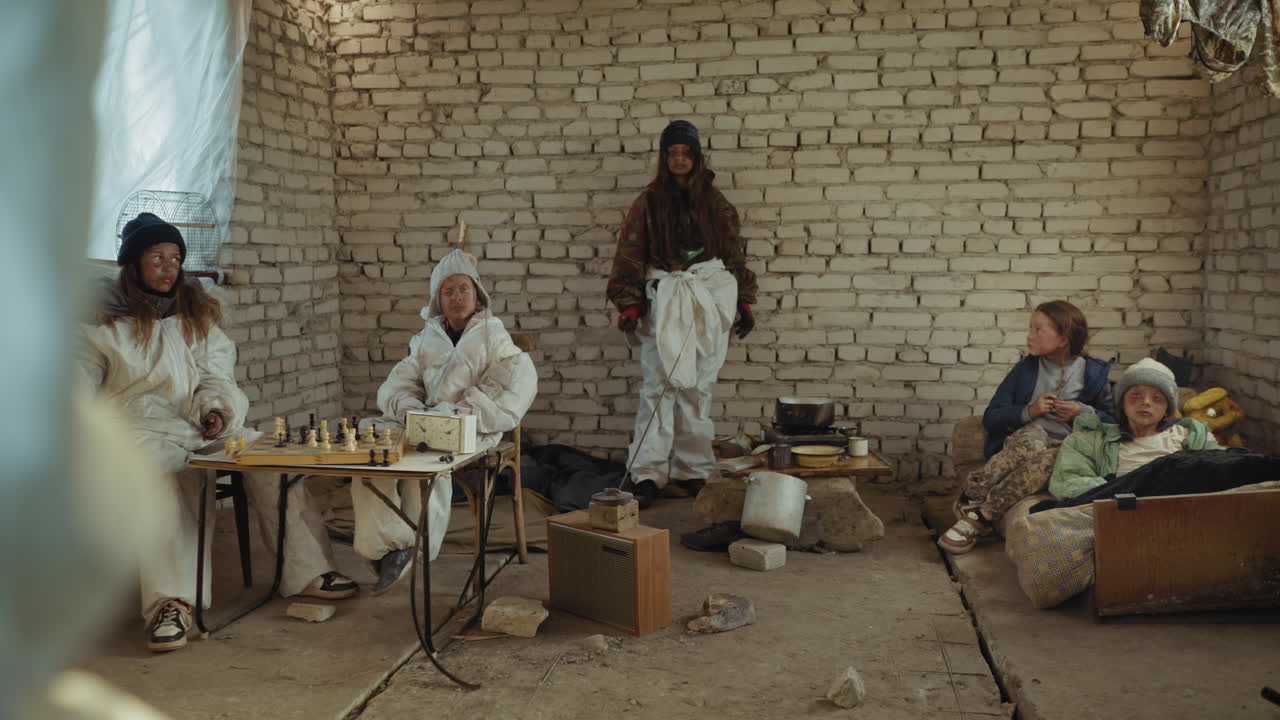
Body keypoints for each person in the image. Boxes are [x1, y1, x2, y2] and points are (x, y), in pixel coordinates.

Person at [78, 213, 357, 653]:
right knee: (174, 481)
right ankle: (172, 604)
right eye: (157, 257)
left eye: (175, 258)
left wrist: (217, 410)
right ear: (133, 264)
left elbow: (218, 377)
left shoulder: (195, 315)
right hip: (142, 432)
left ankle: (308, 571)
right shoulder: (100, 324)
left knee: (268, 458)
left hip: (200, 426)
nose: (170, 267)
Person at [355, 248, 537, 593]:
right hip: (423, 420)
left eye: (463, 289)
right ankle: (388, 545)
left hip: (472, 424)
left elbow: (512, 386)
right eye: (448, 290)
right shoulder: (426, 338)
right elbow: (401, 381)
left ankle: (416, 547)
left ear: (477, 293)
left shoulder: (494, 337)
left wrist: (457, 413)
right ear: (438, 297)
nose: (456, 297)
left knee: (430, 458)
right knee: (373, 451)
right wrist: (409, 408)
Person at [607, 119, 758, 509]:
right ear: (664, 157)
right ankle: (646, 473)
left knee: (697, 388)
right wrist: (629, 303)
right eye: (672, 153)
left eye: (685, 153)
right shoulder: (648, 202)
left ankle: (693, 470)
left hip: (708, 299)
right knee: (658, 387)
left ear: (696, 156)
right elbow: (630, 253)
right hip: (667, 298)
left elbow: (733, 251)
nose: (678, 160)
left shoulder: (716, 202)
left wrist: (743, 301)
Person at [938, 300, 1115, 554]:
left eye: (1038, 330)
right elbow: (992, 417)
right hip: (1031, 434)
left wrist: (1081, 411)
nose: (1029, 336)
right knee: (1031, 442)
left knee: (1050, 460)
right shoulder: (1025, 370)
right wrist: (1029, 411)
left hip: (1068, 445)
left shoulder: (1094, 373)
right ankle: (972, 494)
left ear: (1063, 339)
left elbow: (1112, 422)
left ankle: (981, 516)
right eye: (1030, 328)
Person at [1046, 358, 1221, 499]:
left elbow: (1220, 472)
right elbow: (1067, 481)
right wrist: (1122, 492)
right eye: (1136, 395)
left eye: (1157, 398)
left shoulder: (1193, 437)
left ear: (1168, 409)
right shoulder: (1090, 441)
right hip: (1121, 514)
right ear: (1122, 402)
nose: (1146, 402)